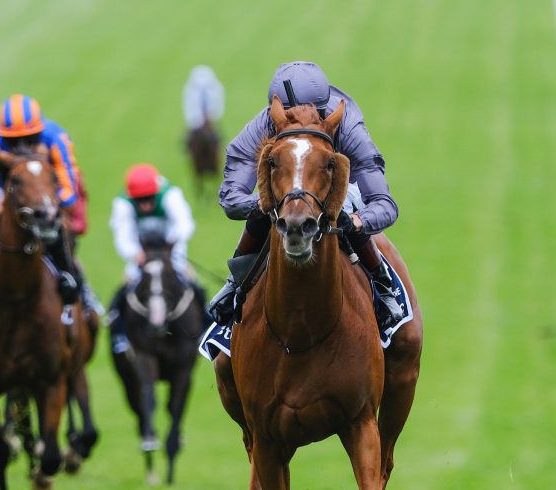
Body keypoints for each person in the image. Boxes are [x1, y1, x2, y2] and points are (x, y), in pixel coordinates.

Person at [208, 61, 405, 330]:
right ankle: (235, 286)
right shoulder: (262, 126)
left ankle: (381, 284)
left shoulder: (347, 127)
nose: (298, 121)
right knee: (267, 208)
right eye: (288, 119)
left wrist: (356, 222)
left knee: (346, 202)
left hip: (334, 188)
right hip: (286, 189)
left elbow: (384, 203)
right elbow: (231, 199)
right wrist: (275, 202)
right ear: (275, 114)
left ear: (324, 112)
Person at [0, 94, 85, 306]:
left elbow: (69, 190)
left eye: (30, 139)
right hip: (7, 197)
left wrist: (47, 202)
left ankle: (72, 283)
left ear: (40, 133)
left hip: (45, 198)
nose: (22, 145)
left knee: (57, 230)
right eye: (13, 141)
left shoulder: (57, 139)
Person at [107, 164, 200, 353]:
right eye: (140, 200)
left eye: (149, 198)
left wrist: (170, 247)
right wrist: (136, 255)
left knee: (194, 286)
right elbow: (123, 237)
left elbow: (185, 225)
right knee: (124, 292)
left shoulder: (171, 195)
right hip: (141, 256)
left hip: (171, 254)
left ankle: (205, 327)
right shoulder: (122, 203)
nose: (145, 205)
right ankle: (118, 333)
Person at [182, 65, 225, 131]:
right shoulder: (191, 90)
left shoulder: (214, 89)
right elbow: (189, 107)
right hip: (196, 121)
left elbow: (217, 106)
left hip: (209, 120)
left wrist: (211, 117)